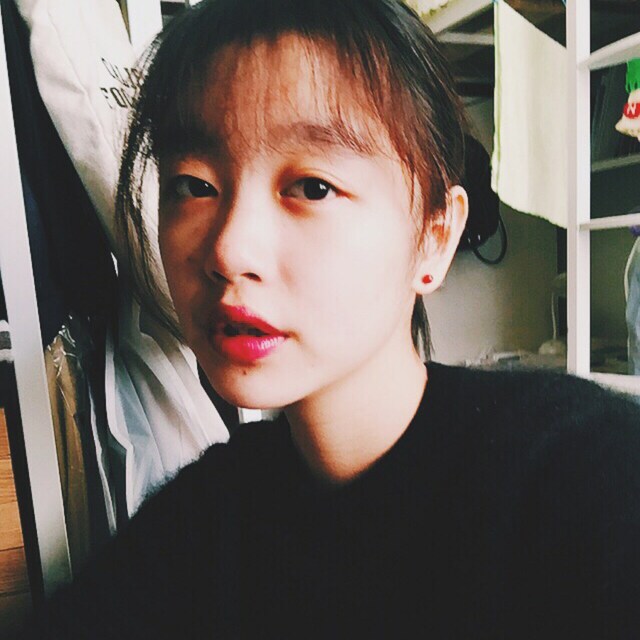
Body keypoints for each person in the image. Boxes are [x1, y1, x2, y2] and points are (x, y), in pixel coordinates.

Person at [23, 0, 640, 637]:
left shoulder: (591, 480)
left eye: (312, 187)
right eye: (193, 185)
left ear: (434, 237)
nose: (229, 251)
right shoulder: (204, 523)